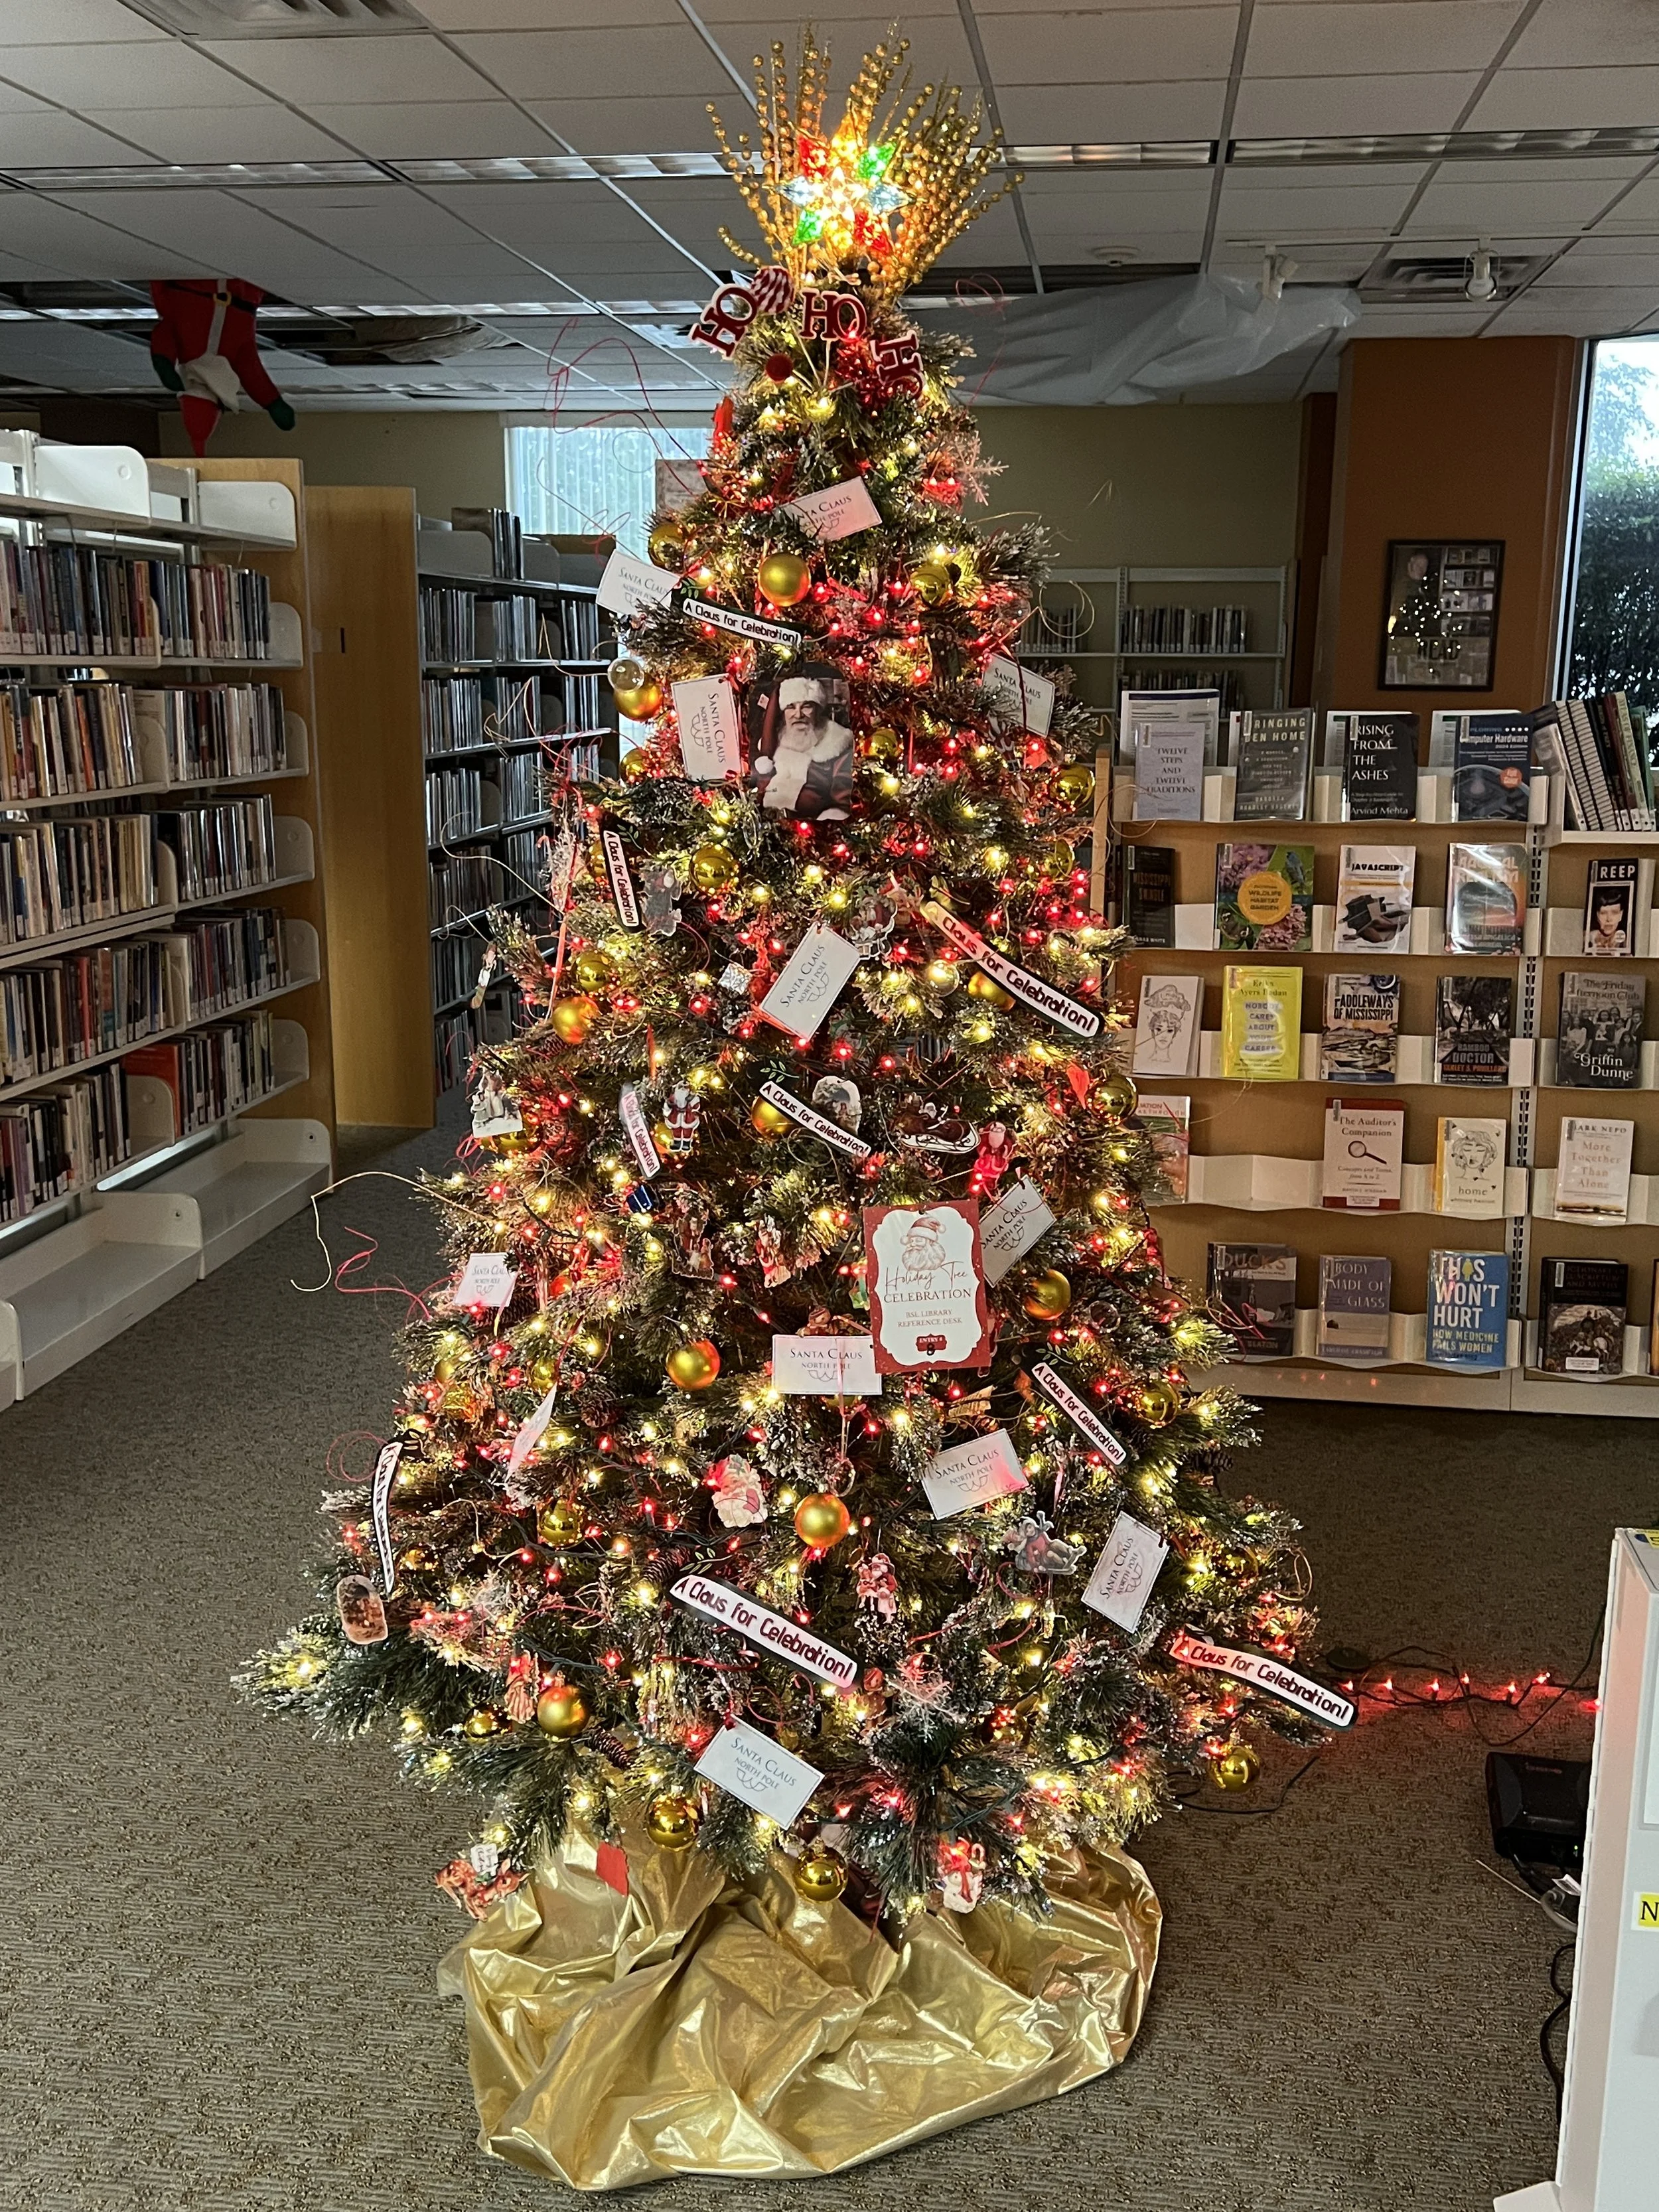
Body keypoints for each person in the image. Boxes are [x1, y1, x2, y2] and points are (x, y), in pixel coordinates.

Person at [749, 664, 855, 820]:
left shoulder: (836, 741)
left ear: (817, 710)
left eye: (806, 707)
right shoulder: (773, 742)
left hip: (815, 826)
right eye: (791, 707)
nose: (798, 715)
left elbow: (842, 796)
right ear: (784, 712)